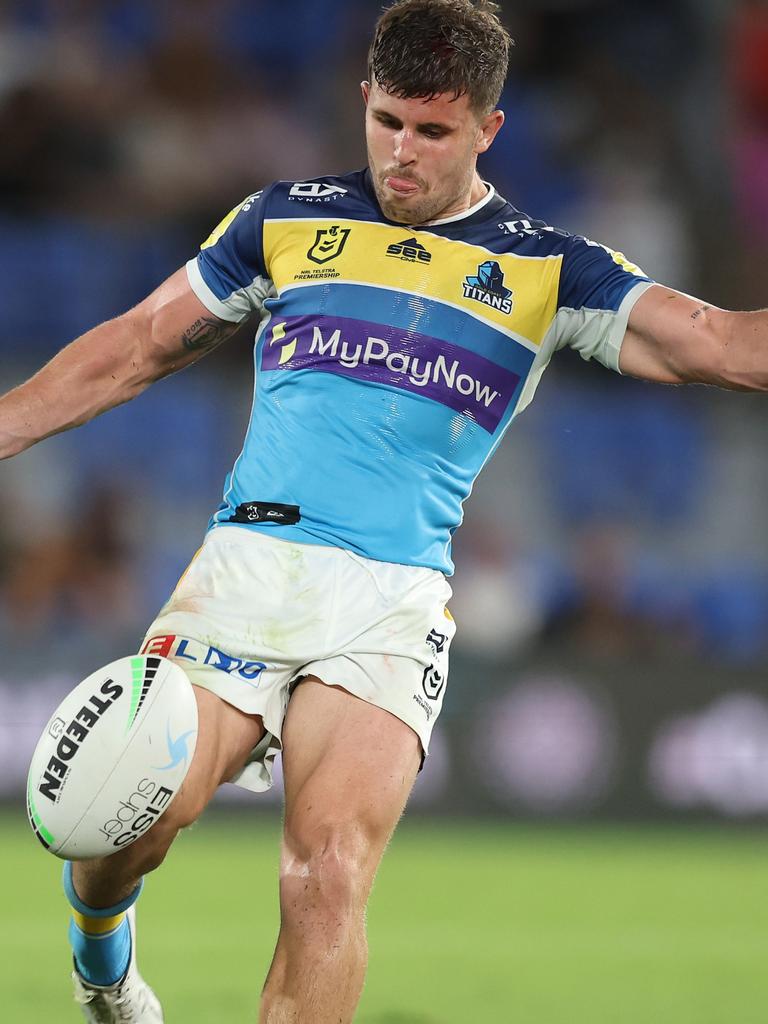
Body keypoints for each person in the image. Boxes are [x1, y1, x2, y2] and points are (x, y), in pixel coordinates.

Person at [2, 1, 766, 1021]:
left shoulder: (546, 267)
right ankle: (102, 957)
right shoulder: (285, 217)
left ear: (488, 129)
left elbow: (717, 343)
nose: (404, 153)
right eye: (389, 121)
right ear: (364, 99)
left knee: (327, 878)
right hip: (249, 564)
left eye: (435, 131)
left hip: (392, 600)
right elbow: (139, 342)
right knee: (124, 824)